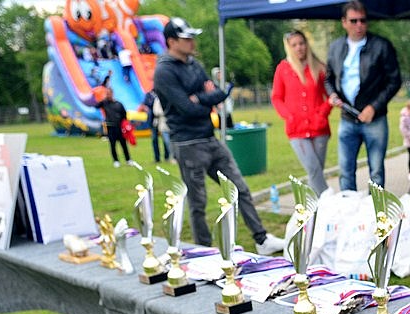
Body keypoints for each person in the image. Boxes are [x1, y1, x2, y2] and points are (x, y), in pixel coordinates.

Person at [153, 17, 284, 254]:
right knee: (198, 202)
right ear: (171, 42)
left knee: (239, 188)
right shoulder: (164, 71)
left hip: (210, 138)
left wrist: (200, 99)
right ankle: (203, 250)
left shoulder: (194, 64)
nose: (192, 42)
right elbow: (187, 108)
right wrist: (205, 100)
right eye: (186, 38)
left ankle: (261, 239)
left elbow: (219, 95)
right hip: (188, 143)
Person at [324, 1, 402, 191]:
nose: (359, 25)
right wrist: (332, 94)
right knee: (345, 171)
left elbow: (394, 81)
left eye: (363, 20)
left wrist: (374, 107)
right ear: (344, 22)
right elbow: (328, 78)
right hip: (347, 118)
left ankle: (376, 209)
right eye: (354, 21)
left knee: (376, 172)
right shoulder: (335, 47)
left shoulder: (381, 46)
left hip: (374, 119)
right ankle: (349, 208)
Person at [271, 29, 332, 196]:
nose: (299, 48)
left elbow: (330, 96)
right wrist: (289, 116)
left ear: (306, 44)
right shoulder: (283, 69)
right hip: (297, 130)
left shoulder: (318, 67)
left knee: (316, 171)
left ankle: (314, 208)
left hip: (319, 128)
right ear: (289, 47)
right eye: (294, 45)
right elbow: (276, 97)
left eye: (301, 43)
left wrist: (322, 113)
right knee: (313, 168)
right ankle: (328, 200)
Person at [96, 87, 132, 168]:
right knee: (112, 145)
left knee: (123, 144)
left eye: (109, 93)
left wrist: (125, 125)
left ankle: (128, 159)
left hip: (119, 127)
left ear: (112, 94)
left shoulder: (118, 104)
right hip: (110, 127)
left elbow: (124, 115)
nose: (108, 95)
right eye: (107, 94)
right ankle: (116, 161)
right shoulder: (104, 103)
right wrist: (103, 99)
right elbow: (96, 106)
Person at [139, 90, 171, 162]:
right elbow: (146, 104)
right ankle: (157, 158)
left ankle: (167, 156)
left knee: (165, 139)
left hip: (162, 120)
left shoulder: (163, 93)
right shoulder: (149, 94)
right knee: (154, 139)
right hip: (153, 120)